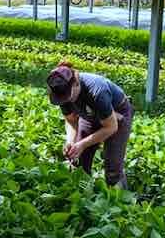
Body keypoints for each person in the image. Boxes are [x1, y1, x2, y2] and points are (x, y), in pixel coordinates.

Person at [46, 61, 133, 189]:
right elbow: (71, 120)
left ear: (76, 84)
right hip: (89, 114)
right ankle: (82, 196)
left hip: (117, 116)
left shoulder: (97, 91)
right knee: (79, 161)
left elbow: (111, 127)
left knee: (113, 168)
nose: (65, 101)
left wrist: (82, 144)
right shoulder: (62, 91)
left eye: (68, 98)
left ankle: (122, 204)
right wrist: (71, 141)